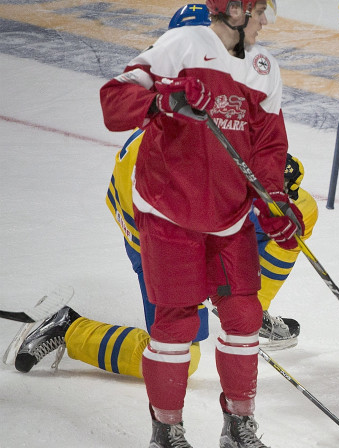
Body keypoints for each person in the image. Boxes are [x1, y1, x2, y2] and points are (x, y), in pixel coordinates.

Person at [14, 2, 315, 375]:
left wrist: (276, 183)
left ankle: (245, 305)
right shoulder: (150, 144)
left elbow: (252, 148)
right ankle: (70, 328)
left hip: (209, 215)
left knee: (299, 208)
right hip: (160, 238)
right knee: (183, 360)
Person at [97, 0, 296, 446]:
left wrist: (273, 200)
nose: (266, 20)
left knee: (245, 315)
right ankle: (167, 430)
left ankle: (238, 425)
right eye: (261, 10)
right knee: (177, 325)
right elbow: (113, 103)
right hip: (170, 209)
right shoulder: (182, 44)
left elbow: (267, 146)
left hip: (227, 215)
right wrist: (165, 98)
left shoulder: (266, 68)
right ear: (237, 11)